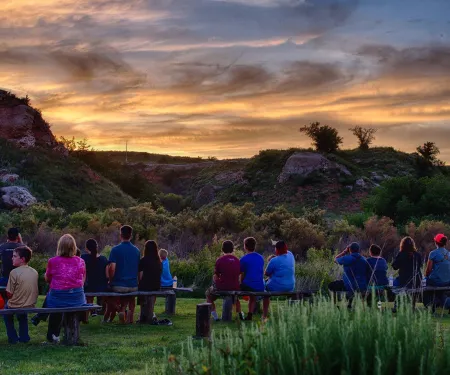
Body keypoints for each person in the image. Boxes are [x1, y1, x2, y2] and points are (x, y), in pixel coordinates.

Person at [45, 234, 86, 343]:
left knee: (52, 297)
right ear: (74, 247)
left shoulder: (52, 261)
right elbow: (82, 280)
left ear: (60, 246)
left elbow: (48, 279)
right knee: (54, 296)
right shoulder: (81, 262)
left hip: (58, 298)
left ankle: (52, 334)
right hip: (77, 298)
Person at [3, 246, 38, 344]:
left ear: (22, 259)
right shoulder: (34, 271)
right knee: (22, 314)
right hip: (30, 304)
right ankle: (24, 337)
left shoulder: (14, 272)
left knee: (6, 313)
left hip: (16, 304)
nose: (12, 258)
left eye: (14, 256)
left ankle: (13, 338)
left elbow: (9, 294)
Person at [106, 225, 140, 324]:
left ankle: (120, 310)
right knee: (128, 295)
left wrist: (110, 280)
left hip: (119, 285)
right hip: (133, 286)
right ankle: (127, 314)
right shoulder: (137, 251)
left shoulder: (115, 250)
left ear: (120, 235)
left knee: (106, 297)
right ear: (131, 236)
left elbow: (112, 268)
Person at [206, 240, 243, 321]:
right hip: (235, 287)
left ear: (222, 249)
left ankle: (215, 317)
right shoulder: (237, 260)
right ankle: (241, 314)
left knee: (208, 295)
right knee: (235, 298)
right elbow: (240, 275)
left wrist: (215, 283)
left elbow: (216, 275)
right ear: (233, 249)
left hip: (223, 287)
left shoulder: (220, 260)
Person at [328, 242, 369, 307]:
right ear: (358, 250)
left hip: (349, 286)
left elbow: (335, 259)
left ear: (350, 250)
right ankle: (350, 304)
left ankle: (337, 305)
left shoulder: (347, 258)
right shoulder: (364, 259)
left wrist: (344, 252)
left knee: (331, 285)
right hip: (363, 286)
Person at [263, 241, 296, 320]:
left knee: (265, 292)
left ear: (276, 250)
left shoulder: (274, 260)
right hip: (291, 286)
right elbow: (287, 251)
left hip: (276, 286)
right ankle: (291, 314)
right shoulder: (291, 256)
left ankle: (264, 315)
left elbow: (266, 273)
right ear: (286, 248)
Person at [81, 239, 108, 320]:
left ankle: (86, 317)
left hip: (88, 287)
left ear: (86, 248)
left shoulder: (83, 258)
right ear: (97, 247)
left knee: (89, 297)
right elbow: (106, 275)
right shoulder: (103, 259)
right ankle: (96, 311)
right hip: (102, 287)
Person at [239, 237, 264, 321]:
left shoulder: (243, 259)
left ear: (245, 246)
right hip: (260, 286)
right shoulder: (261, 258)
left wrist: (240, 283)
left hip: (249, 285)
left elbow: (241, 276)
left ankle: (239, 312)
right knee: (252, 297)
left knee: (233, 292)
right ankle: (250, 314)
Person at [138, 240, 162, 324]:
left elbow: (140, 276)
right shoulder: (159, 261)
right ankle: (150, 313)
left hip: (145, 285)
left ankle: (142, 314)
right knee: (151, 295)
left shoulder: (143, 260)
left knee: (141, 289)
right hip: (156, 286)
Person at [423, 234, 450, 309]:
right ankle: (442, 301)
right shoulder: (449, 254)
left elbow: (428, 270)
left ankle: (430, 303)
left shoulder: (433, 253)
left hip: (437, 281)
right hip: (448, 281)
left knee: (424, 284)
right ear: (445, 243)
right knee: (440, 291)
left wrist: (425, 277)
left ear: (436, 242)